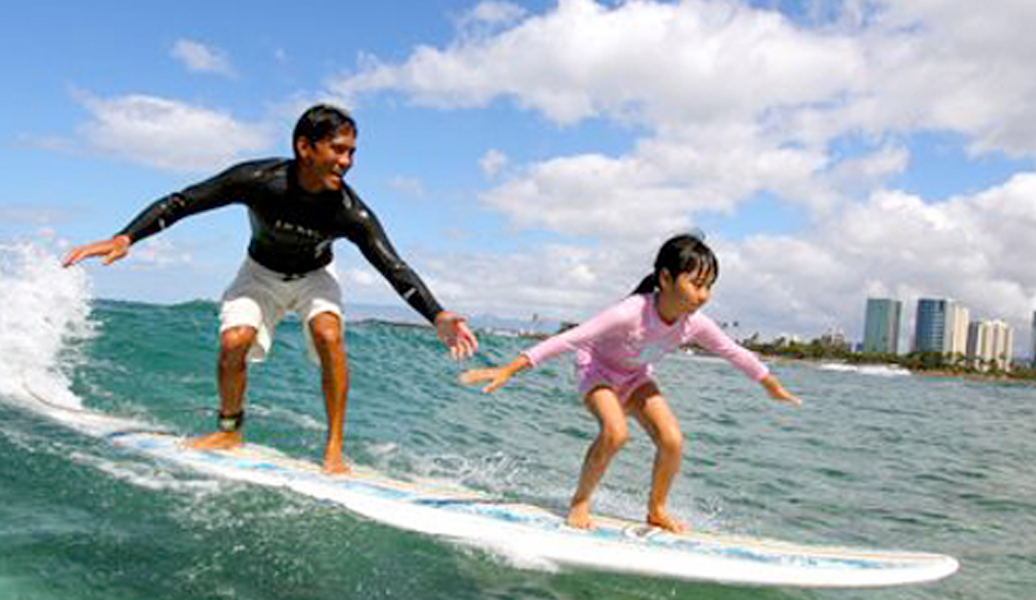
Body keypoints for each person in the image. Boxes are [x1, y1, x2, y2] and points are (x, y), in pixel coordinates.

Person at [63, 104, 478, 474]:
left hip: (315, 279)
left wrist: (436, 315)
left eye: (352, 152)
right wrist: (126, 238)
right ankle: (229, 431)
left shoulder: (350, 211)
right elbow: (184, 201)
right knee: (233, 343)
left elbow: (393, 265)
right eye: (338, 149)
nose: (347, 161)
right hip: (259, 273)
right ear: (305, 146)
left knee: (329, 335)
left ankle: (333, 449)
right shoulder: (258, 180)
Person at [461, 233, 799, 533]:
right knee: (615, 432)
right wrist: (511, 368)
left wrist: (768, 382)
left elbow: (732, 350)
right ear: (665, 278)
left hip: (636, 377)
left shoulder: (693, 324)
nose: (703, 295)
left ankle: (656, 510)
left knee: (672, 440)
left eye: (709, 286)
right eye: (696, 284)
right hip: (597, 370)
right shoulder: (631, 311)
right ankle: (580, 502)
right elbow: (572, 338)